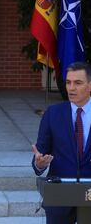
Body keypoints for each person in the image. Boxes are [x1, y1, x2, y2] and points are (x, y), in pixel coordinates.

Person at [32, 61, 91, 224]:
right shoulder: (53, 114)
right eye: (68, 82)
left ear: (90, 85)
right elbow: (40, 153)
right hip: (60, 196)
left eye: (78, 83)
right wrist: (40, 164)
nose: (71, 88)